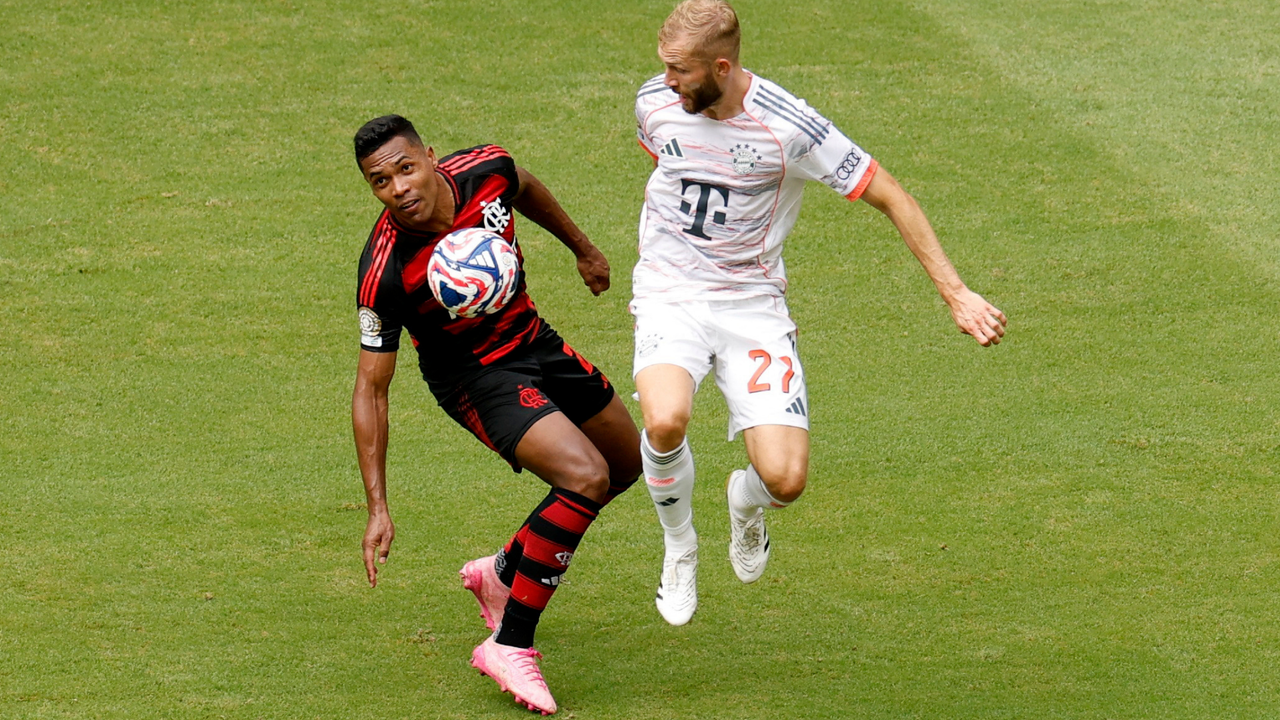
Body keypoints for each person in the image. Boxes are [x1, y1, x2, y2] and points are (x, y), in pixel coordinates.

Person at [631, 0, 1008, 626]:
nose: (667, 81)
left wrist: (957, 292)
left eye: (681, 71)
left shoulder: (790, 128)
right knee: (665, 419)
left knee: (784, 481)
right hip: (672, 294)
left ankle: (741, 503)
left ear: (721, 67)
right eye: (664, 67)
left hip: (753, 308)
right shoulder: (654, 100)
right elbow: (669, 167)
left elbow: (891, 195)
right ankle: (679, 547)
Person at [350, 114, 641, 715]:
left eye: (406, 168)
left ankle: (503, 570)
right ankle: (510, 645)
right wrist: (377, 505)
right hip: (475, 378)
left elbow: (525, 186)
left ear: (429, 157)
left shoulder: (487, 169)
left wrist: (584, 250)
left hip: (534, 341)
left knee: (625, 464)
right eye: (381, 182)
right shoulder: (384, 269)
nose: (399, 188)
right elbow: (371, 389)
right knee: (583, 477)